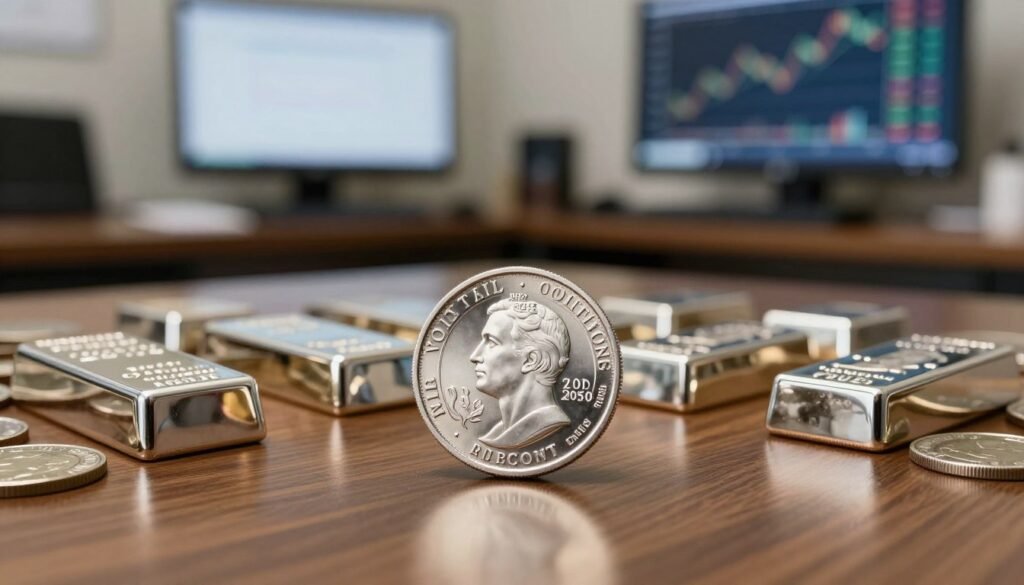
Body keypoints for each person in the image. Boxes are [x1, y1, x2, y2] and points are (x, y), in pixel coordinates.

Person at [469, 298, 571, 449]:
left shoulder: (546, 426)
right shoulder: (495, 435)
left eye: (491, 342)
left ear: (531, 359)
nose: (474, 356)